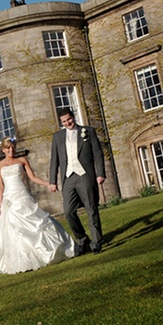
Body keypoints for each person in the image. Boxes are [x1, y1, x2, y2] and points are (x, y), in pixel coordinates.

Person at [0, 137, 75, 274]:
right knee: (14, 228)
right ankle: (23, 260)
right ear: (3, 150)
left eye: (13, 147)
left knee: (37, 223)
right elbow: (0, 186)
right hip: (10, 199)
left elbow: (33, 177)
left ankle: (50, 252)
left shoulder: (22, 160)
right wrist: (1, 204)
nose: (11, 150)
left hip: (22, 195)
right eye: (8, 148)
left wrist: (48, 184)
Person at [48, 108, 106, 255]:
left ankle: (96, 242)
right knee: (68, 211)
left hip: (85, 175)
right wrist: (52, 180)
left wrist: (100, 174)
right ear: (61, 123)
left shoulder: (88, 132)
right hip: (68, 178)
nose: (68, 123)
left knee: (91, 209)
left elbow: (98, 154)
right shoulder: (57, 137)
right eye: (64, 121)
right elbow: (54, 160)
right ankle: (82, 239)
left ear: (73, 117)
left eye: (69, 119)